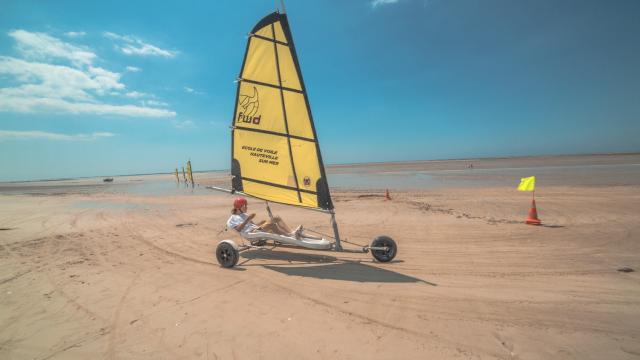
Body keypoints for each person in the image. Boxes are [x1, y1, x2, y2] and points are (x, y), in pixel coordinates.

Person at [226, 197, 303, 238]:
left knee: (276, 218)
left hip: (255, 229)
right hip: (250, 233)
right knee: (272, 225)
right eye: (244, 206)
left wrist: (262, 222)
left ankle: (291, 233)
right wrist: (248, 218)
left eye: (246, 205)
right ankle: (289, 236)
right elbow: (239, 229)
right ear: (238, 207)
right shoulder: (232, 218)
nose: (246, 207)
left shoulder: (244, 215)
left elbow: (253, 225)